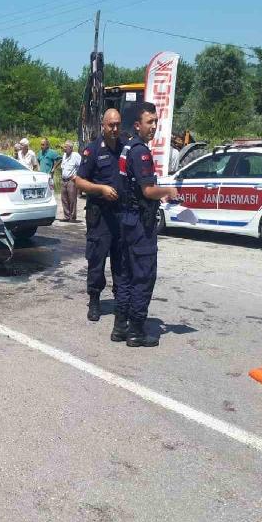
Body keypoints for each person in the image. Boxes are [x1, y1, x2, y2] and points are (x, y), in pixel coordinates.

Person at [115, 102, 179, 347]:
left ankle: (121, 326)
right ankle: (136, 331)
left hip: (127, 219)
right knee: (143, 276)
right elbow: (148, 189)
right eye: (149, 122)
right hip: (139, 223)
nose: (153, 126)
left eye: (155, 121)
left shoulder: (127, 147)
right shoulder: (140, 151)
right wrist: (169, 191)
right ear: (137, 125)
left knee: (127, 275)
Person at [74, 108, 125, 323]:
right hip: (100, 215)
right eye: (110, 125)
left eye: (117, 124)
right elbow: (79, 181)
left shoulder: (126, 148)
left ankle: (121, 301)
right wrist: (101, 189)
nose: (114, 129)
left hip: (122, 215)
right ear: (102, 126)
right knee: (96, 259)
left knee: (122, 260)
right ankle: (94, 300)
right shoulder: (92, 150)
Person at [59, 141, 81, 222]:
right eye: (64, 147)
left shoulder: (76, 156)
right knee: (64, 199)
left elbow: (81, 166)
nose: (64, 149)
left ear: (71, 148)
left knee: (72, 199)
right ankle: (66, 216)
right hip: (64, 180)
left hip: (71, 180)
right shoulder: (64, 155)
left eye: (65, 147)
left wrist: (77, 177)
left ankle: (73, 217)